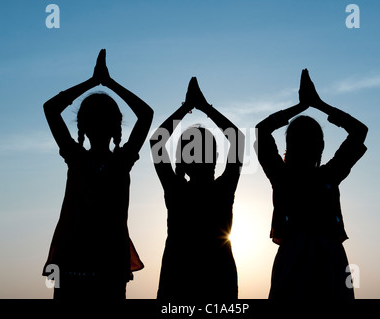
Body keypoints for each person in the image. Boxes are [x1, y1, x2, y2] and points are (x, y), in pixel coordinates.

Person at [42, 49, 153, 300]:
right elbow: (146, 115)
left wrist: (97, 81)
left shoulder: (80, 158)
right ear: (117, 127)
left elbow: (51, 108)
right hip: (93, 263)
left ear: (82, 127)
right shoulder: (111, 160)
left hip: (89, 263)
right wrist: (104, 82)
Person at [254, 69, 368, 299]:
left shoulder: (282, 177)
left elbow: (262, 130)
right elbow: (359, 131)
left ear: (289, 145)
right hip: (330, 259)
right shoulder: (329, 175)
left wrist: (302, 106)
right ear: (321, 147)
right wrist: (319, 104)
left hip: (294, 258)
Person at [150, 77, 245, 300]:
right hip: (220, 281)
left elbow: (156, 141)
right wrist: (204, 107)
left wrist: (186, 107)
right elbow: (238, 140)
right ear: (216, 157)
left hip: (177, 280)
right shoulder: (223, 189)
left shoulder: (176, 190)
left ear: (181, 161)